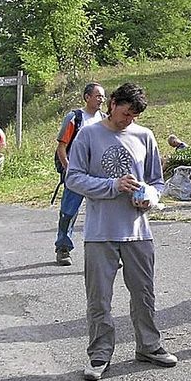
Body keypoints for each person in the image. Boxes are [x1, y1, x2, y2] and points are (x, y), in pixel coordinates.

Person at [65, 82, 177, 381]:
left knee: (144, 293)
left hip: (139, 231)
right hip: (100, 232)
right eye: (125, 113)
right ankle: (100, 354)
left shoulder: (145, 136)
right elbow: (73, 178)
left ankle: (149, 346)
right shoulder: (88, 134)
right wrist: (111, 186)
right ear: (112, 103)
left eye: (134, 116)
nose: (129, 120)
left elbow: (157, 181)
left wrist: (150, 197)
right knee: (99, 298)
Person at [54, 83, 107, 266]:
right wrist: (69, 170)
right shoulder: (74, 118)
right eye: (98, 96)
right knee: (68, 212)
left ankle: (106, 253)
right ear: (87, 97)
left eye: (103, 96)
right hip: (76, 173)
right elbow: (62, 146)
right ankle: (63, 248)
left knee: (103, 213)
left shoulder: (105, 119)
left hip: (98, 174)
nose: (102, 99)